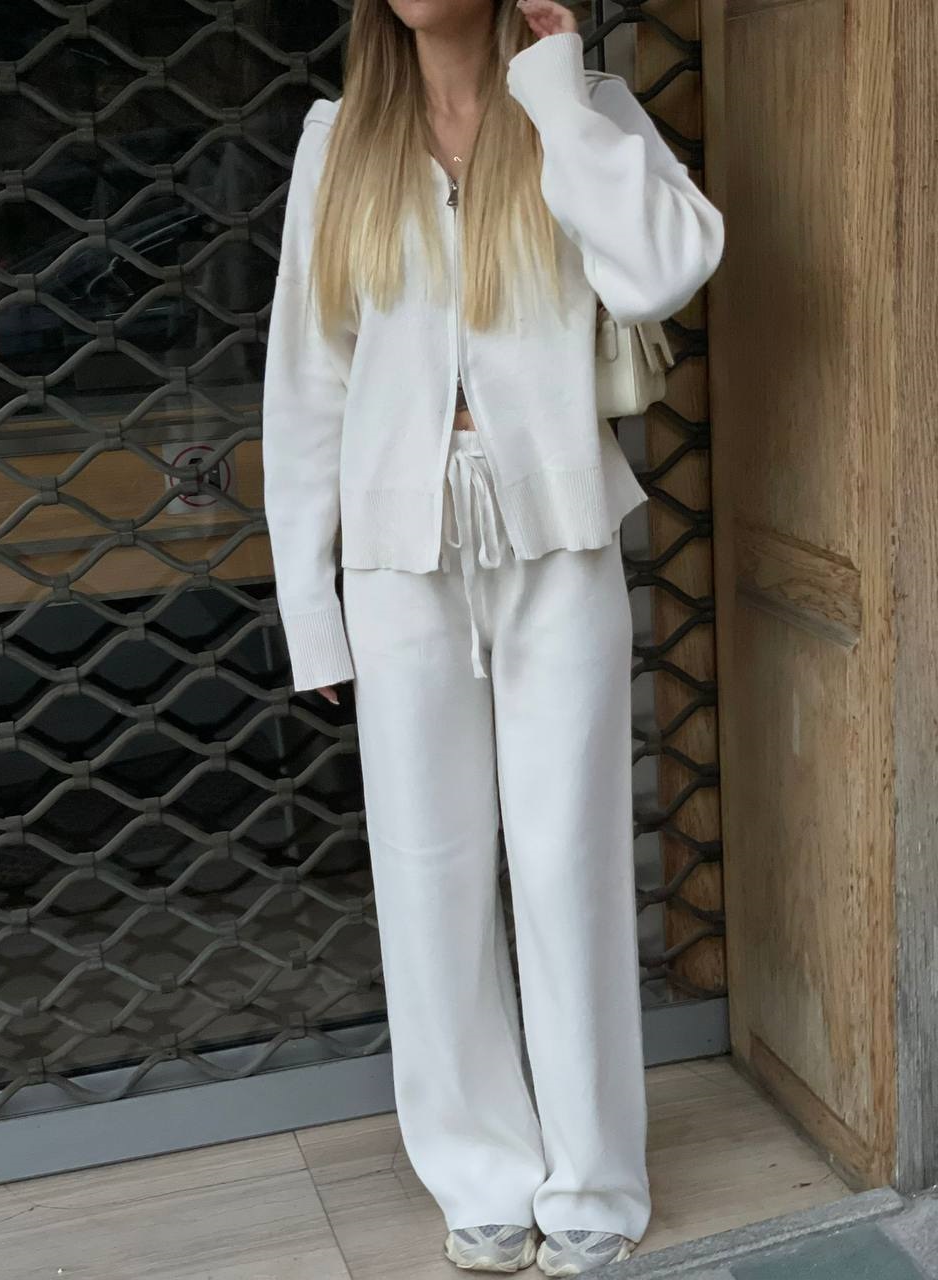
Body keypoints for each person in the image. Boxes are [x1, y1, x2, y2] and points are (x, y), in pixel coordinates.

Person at [262, 0, 724, 1272]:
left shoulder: (583, 111)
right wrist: (313, 608)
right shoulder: (337, 143)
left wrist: (560, 90)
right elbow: (306, 381)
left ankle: (592, 1189)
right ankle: (479, 1172)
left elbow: (666, 267)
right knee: (429, 875)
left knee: (571, 866)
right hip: (400, 560)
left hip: (558, 541)